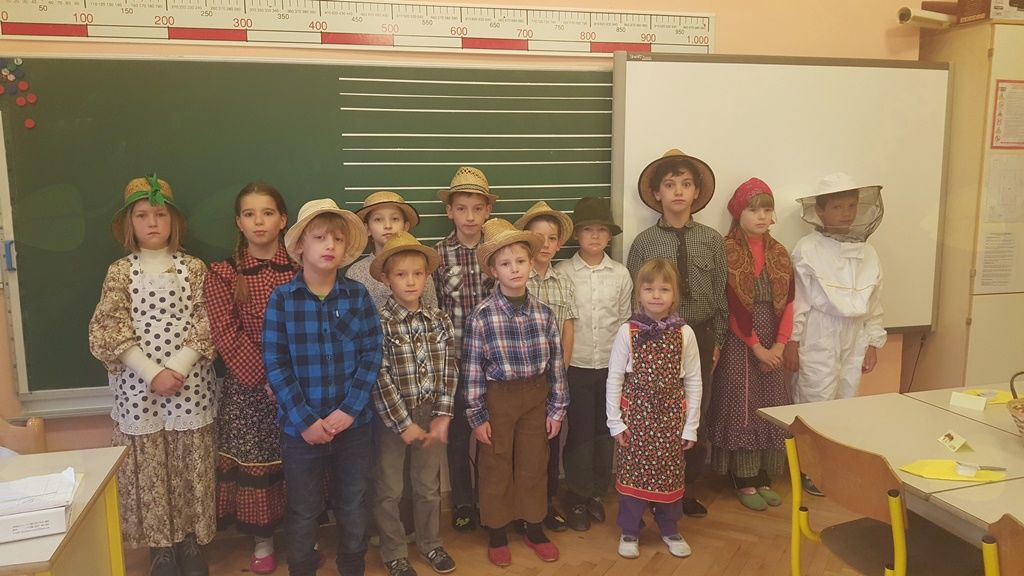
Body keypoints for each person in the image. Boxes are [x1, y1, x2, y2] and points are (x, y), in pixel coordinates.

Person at [89, 175, 217, 576]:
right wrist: (151, 372)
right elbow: (108, 327)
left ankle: (190, 540)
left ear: (173, 221)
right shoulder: (119, 272)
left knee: (188, 462)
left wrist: (177, 366)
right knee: (149, 469)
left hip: (189, 385)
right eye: (142, 215)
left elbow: (207, 320)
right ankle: (160, 547)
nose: (152, 222)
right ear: (130, 223)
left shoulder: (193, 268)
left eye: (160, 214)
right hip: (139, 388)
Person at [262, 199, 383, 576]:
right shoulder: (282, 299)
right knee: (303, 509)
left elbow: (372, 353)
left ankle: (352, 566)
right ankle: (301, 567)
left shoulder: (357, 295)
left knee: (353, 502)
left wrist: (349, 410)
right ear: (300, 246)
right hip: (300, 430)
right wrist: (305, 421)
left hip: (354, 426)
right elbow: (276, 363)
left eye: (337, 239)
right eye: (319, 238)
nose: (330, 245)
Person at [625, 149, 726, 518]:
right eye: (670, 185)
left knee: (694, 410)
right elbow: (634, 299)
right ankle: (651, 488)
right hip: (657, 339)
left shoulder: (712, 240)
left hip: (700, 335)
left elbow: (721, 294)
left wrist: (718, 341)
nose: (678, 191)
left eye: (686, 184)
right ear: (657, 193)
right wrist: (638, 346)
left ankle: (685, 489)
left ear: (697, 191)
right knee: (656, 413)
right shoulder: (644, 242)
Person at [463, 218, 569, 567]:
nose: (515, 269)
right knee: (496, 464)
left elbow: (556, 365)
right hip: (499, 398)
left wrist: (557, 408)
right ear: (493, 271)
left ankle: (534, 526)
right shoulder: (482, 316)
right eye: (505, 264)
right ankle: (497, 531)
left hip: (536, 396)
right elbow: (472, 370)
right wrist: (477, 416)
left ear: (530, 262)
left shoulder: (544, 314)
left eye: (520, 261)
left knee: (534, 462)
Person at [205, 182, 296, 573]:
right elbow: (225, 332)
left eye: (267, 213)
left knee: (300, 460)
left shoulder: (302, 267)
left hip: (298, 382)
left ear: (283, 220)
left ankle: (303, 533)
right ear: (238, 223)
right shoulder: (223, 273)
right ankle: (263, 540)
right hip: (250, 388)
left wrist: (289, 377)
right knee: (258, 462)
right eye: (249, 214)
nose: (259, 221)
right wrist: (267, 377)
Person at [782, 173, 886, 496]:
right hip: (819, 332)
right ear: (820, 211)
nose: (846, 213)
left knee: (846, 399)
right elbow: (798, 300)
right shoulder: (808, 248)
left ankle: (837, 468)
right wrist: (792, 341)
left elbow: (874, 302)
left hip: (854, 335)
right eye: (838, 206)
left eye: (851, 206)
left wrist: (873, 341)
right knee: (815, 399)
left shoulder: (869, 252)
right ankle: (809, 469)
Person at [369, 232, 458, 576]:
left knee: (427, 486)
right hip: (392, 417)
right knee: (389, 488)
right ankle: (394, 551)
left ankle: (430, 543)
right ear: (386, 279)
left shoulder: (439, 320)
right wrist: (402, 423)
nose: (410, 281)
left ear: (427, 277)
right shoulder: (379, 323)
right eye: (401, 274)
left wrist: (443, 414)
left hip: (430, 412)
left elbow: (449, 368)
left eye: (417, 274)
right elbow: (379, 376)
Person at [606, 259, 702, 560]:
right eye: (649, 289)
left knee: (669, 475)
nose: (656, 295)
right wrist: (615, 422)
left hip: (671, 420)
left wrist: (690, 426)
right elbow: (615, 378)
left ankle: (669, 528)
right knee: (634, 475)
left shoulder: (685, 334)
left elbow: (694, 380)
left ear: (675, 295)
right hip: (636, 419)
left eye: (664, 289)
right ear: (639, 294)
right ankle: (630, 530)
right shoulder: (627, 332)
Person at [706, 178, 793, 511]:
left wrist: (779, 346)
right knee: (742, 405)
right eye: (753, 209)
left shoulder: (780, 252)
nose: (761, 216)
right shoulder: (726, 250)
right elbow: (730, 304)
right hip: (741, 342)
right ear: (738, 212)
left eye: (767, 210)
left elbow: (790, 302)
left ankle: (764, 476)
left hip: (774, 341)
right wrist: (757, 347)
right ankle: (744, 479)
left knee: (772, 405)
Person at [555, 197, 632, 532]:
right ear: (576, 235)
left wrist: (626, 368)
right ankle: (577, 495)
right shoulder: (563, 273)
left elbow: (626, 322)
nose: (596, 236)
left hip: (611, 369)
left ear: (610, 235)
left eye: (602, 230)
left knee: (605, 431)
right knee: (580, 434)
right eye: (588, 230)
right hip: (577, 366)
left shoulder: (621, 274)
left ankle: (597, 492)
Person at [432, 166, 496, 532]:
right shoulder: (438, 256)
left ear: (487, 210)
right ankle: (463, 502)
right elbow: (436, 310)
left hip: (493, 363)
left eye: (477, 208)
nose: (469, 216)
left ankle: (492, 500)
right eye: (461, 208)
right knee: (457, 438)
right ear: (449, 212)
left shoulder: (498, 251)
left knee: (492, 436)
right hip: (456, 363)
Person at [513, 200, 578, 532]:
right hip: (521, 380)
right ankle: (520, 508)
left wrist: (560, 373)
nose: (546, 244)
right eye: (538, 238)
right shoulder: (516, 278)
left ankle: (546, 503)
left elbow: (568, 329)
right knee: (522, 448)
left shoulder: (563, 282)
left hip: (552, 378)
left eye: (552, 238)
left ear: (559, 243)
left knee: (549, 444)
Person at [347, 190, 438, 310]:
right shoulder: (356, 273)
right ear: (367, 229)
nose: (388, 226)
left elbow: (431, 309)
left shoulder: (419, 269)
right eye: (378, 219)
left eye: (395, 219)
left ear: (405, 227)